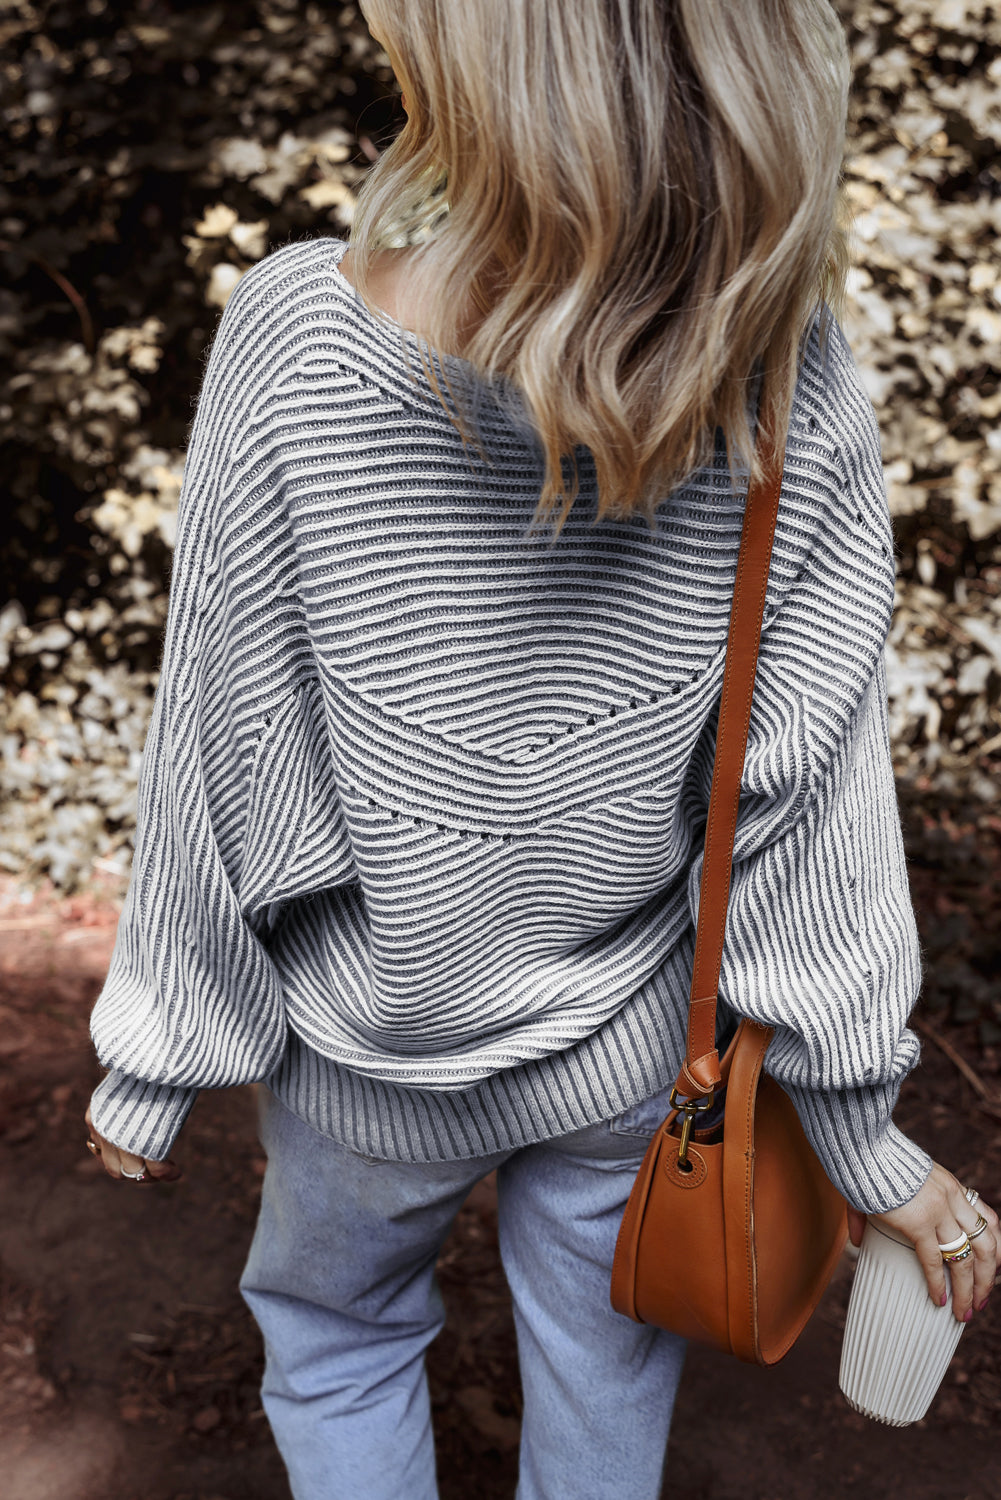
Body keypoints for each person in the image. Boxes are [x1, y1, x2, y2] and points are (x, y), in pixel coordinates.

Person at [84, 2, 999, 1496]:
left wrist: (161, 1049)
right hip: (628, 1057)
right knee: (603, 1377)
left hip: (365, 1057)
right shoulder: (788, 379)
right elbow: (810, 805)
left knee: (335, 1338)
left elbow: (219, 739)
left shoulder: (292, 337)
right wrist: (861, 1136)